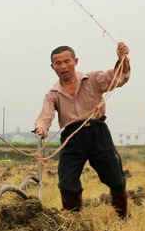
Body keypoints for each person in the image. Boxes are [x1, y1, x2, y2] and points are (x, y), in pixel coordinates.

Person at [34, 42, 131, 219]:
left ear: (75, 61)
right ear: (52, 67)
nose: (63, 67)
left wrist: (122, 58)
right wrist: (41, 128)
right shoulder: (53, 94)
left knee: (116, 180)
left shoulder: (92, 79)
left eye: (67, 61)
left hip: (98, 132)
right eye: (58, 63)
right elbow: (45, 116)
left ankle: (122, 218)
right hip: (72, 138)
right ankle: (74, 222)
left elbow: (119, 77)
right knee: (67, 183)